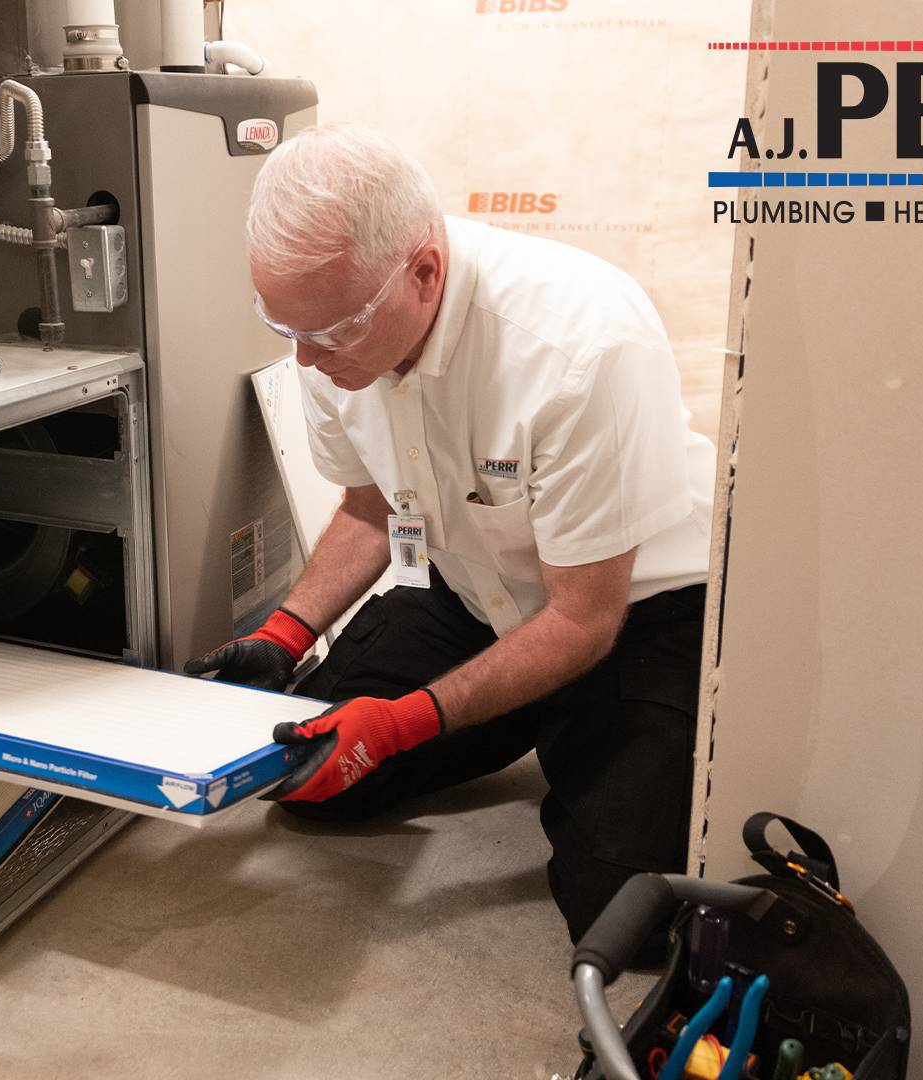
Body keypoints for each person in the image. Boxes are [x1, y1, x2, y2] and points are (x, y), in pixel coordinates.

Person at [185, 124, 715, 948]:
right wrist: (285, 637)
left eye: (328, 334)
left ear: (424, 271)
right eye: (285, 328)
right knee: (303, 771)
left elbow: (583, 618)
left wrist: (405, 723)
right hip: (477, 589)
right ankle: (527, 716)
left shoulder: (580, 345)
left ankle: (576, 725)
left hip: (635, 617)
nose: (306, 359)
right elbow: (368, 508)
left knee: (623, 912)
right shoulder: (332, 337)